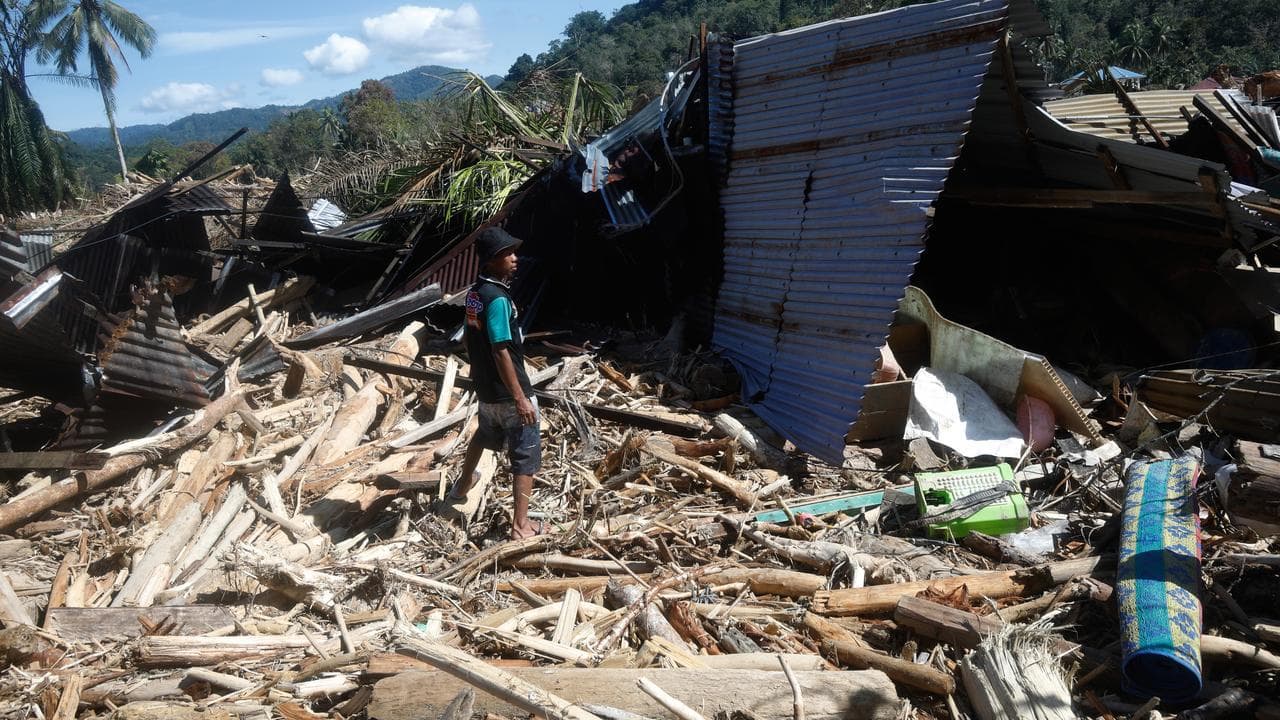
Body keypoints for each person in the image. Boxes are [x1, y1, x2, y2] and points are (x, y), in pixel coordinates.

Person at [442, 226, 545, 539]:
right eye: (506, 254)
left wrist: (480, 375)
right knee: (525, 456)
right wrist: (519, 397)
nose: (514, 259)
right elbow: (499, 348)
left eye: (513, 252)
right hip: (508, 392)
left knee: (485, 435)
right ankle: (521, 526)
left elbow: (472, 338)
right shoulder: (498, 299)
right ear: (489, 262)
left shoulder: (475, 294)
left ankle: (461, 486)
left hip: (486, 391)